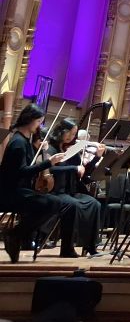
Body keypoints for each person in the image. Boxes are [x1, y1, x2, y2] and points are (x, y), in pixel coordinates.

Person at [0, 104, 75, 262]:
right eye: (39, 122)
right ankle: (16, 235)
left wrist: (39, 151)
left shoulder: (25, 141)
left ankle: (17, 235)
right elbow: (22, 171)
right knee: (52, 203)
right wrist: (49, 162)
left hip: (20, 191)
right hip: (11, 193)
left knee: (54, 202)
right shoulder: (18, 143)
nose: (39, 126)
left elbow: (28, 165)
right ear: (30, 120)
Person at [47, 117, 103, 256]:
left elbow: (83, 173)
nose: (72, 137)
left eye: (74, 134)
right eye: (70, 134)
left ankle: (90, 247)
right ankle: (67, 248)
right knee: (72, 206)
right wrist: (73, 168)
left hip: (71, 191)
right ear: (61, 132)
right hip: (55, 191)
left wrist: (97, 157)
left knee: (94, 203)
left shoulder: (72, 150)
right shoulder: (52, 148)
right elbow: (50, 169)